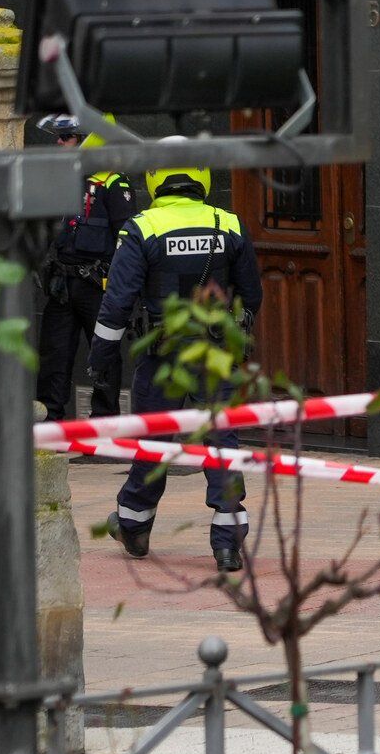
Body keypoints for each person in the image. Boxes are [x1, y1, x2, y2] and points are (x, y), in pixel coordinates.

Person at [90, 157, 263, 572]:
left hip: (163, 355)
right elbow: (252, 295)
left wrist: (100, 358)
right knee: (223, 441)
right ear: (203, 177)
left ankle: (134, 524)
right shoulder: (230, 224)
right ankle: (227, 544)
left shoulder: (142, 227)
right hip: (216, 353)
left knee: (154, 440)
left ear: (155, 179)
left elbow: (116, 303)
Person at [33, 117, 138, 423]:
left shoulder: (114, 183)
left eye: (65, 137)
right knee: (54, 355)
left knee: (103, 354)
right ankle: (50, 422)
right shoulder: (65, 178)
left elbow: (126, 242)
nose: (59, 143)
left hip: (97, 287)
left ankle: (104, 423)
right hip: (62, 285)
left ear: (85, 139)